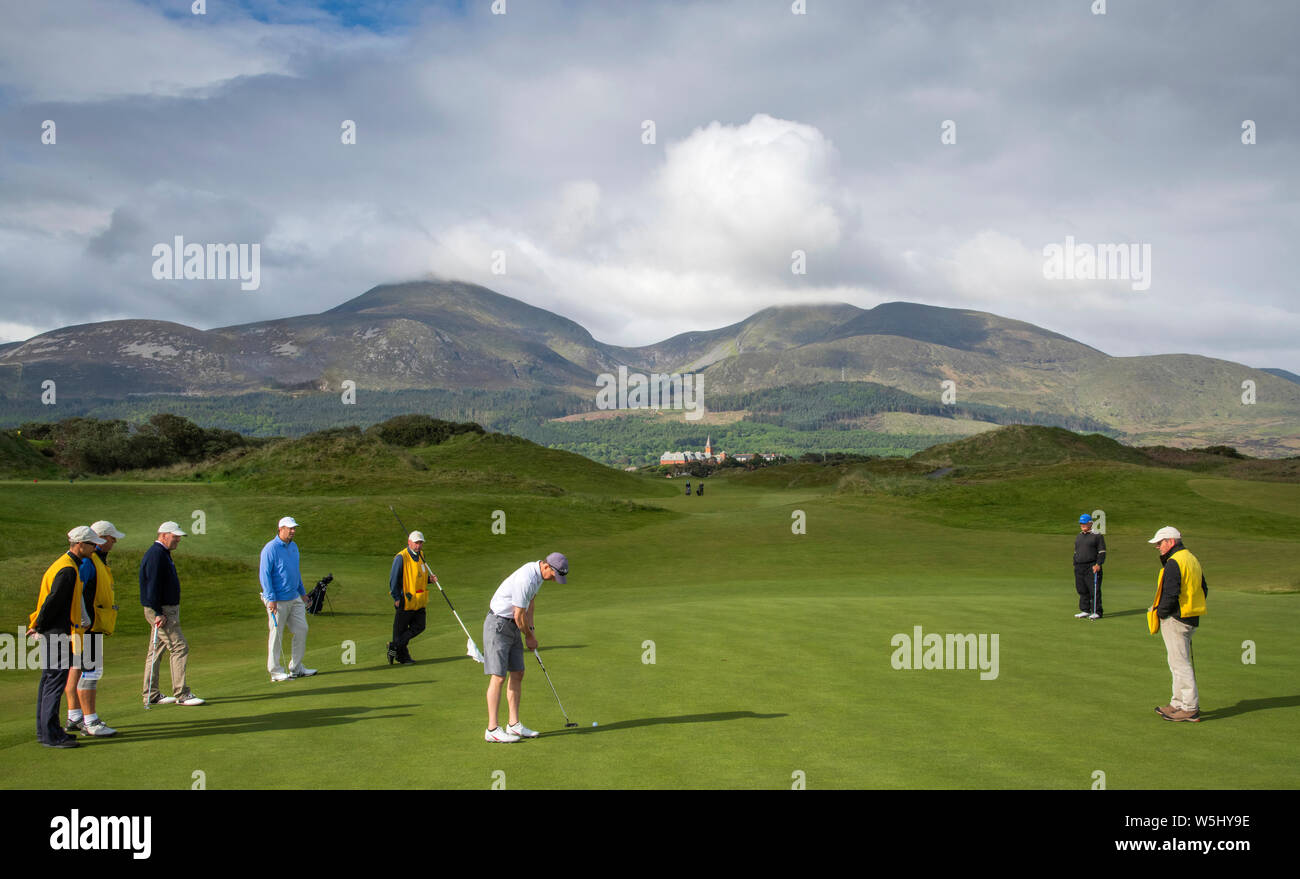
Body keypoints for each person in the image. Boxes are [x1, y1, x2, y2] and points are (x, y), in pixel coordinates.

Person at [483, 552, 568, 743]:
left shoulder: (539, 577)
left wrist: (532, 632)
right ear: (547, 566)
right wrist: (529, 637)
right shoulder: (526, 578)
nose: (555, 580)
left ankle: (513, 725)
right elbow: (518, 614)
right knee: (498, 676)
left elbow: (530, 605)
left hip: (512, 625)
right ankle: (492, 729)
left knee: (518, 672)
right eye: (554, 575)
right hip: (498, 625)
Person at [29, 527, 100, 748]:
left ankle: (47, 732)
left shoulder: (65, 564)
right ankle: (51, 735)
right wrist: (39, 626)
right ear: (80, 544)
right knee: (54, 684)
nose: (95, 547)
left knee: (48, 682)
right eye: (91, 544)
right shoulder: (68, 570)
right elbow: (53, 602)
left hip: (55, 632)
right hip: (58, 634)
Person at [64, 520, 124, 737]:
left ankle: (75, 716)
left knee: (76, 669)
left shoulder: (95, 560)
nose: (114, 541)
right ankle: (91, 721)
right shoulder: (90, 562)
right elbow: (76, 590)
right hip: (87, 626)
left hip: (84, 626)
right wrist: (85, 617)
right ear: (99, 539)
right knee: (90, 671)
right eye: (111, 537)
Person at [1148, 526, 1208, 722]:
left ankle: (1189, 707)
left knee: (1180, 663)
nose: (1158, 546)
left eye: (1160, 542)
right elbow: (1203, 588)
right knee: (1176, 662)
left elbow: (1171, 593)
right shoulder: (1191, 558)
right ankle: (1177, 703)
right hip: (1190, 616)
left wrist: (1162, 613)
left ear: (1170, 542)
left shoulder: (1174, 562)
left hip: (1176, 617)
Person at [140, 521, 204, 706]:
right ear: (163, 535)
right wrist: (158, 612)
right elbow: (151, 586)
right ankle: (182, 694)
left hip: (164, 610)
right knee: (179, 647)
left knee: (156, 651)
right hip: (162, 611)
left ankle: (151, 694)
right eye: (174, 536)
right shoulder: (156, 555)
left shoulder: (162, 553)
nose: (178, 539)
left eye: (178, 536)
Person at [260, 516, 316, 682]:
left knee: (302, 629)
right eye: (290, 528)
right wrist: (271, 598)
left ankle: (296, 667)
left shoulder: (293, 547)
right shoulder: (270, 549)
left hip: (294, 597)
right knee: (276, 634)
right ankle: (275, 671)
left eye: (294, 528)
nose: (293, 531)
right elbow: (265, 575)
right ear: (280, 529)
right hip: (277, 599)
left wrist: (303, 593)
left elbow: (295, 572)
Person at [388, 530, 434, 665]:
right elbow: (393, 580)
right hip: (405, 600)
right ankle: (403, 656)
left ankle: (394, 646)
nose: (419, 546)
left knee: (420, 626)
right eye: (416, 543)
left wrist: (429, 580)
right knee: (400, 631)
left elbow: (420, 577)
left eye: (420, 543)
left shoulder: (422, 556)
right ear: (409, 542)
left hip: (419, 599)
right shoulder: (401, 557)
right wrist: (396, 598)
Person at [1072, 514, 1106, 619]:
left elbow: (1102, 552)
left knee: (1094, 590)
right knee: (1081, 589)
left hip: (1092, 566)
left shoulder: (1097, 536)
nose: (1083, 525)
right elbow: (1076, 551)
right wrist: (1075, 563)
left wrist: (1098, 564)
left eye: (1085, 523)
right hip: (1079, 566)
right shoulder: (1079, 536)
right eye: (1081, 523)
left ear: (1090, 523)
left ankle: (1097, 612)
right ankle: (1085, 610)